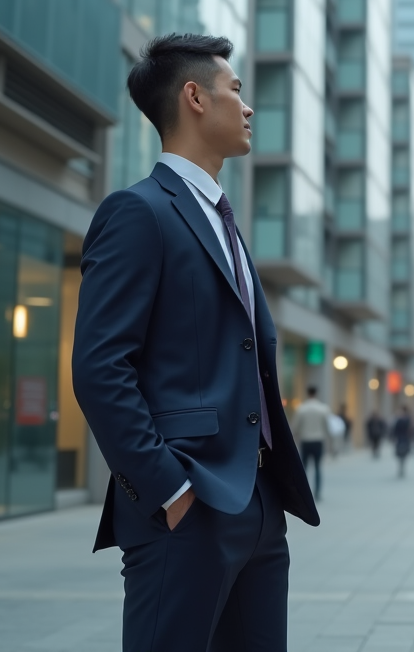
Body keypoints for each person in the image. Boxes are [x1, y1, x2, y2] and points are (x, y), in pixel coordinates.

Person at [72, 33, 318, 652]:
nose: (249, 106)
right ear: (194, 98)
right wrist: (170, 490)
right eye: (235, 90)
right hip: (187, 506)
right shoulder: (138, 212)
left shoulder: (224, 221)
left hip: (260, 506)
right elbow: (101, 369)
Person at [293, 387, 331, 499]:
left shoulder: (301, 409)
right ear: (316, 393)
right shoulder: (323, 409)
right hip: (318, 441)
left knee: (304, 468)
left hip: (306, 441)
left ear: (307, 393)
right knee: (318, 467)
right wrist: (330, 443)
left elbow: (295, 427)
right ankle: (317, 492)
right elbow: (327, 427)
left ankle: (304, 491)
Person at [391, 407, 414, 478]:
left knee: (404, 454)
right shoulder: (398, 420)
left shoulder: (407, 420)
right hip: (400, 439)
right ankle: (401, 466)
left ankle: (402, 466)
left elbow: (411, 430)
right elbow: (394, 430)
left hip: (405, 439)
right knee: (400, 454)